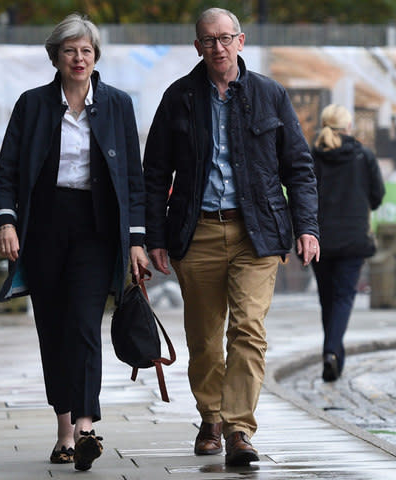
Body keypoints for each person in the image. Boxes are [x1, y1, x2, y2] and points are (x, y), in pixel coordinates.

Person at [143, 7, 320, 466]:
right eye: (208, 40)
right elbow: (155, 173)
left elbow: (298, 167)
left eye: (225, 38)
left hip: (257, 233)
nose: (217, 47)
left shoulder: (269, 94)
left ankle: (240, 428)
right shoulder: (178, 97)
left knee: (248, 330)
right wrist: (154, 237)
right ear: (197, 46)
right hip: (195, 232)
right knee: (203, 339)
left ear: (240, 41)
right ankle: (211, 417)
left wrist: (307, 227)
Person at [0, 13, 148, 471]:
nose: (78, 58)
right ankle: (62, 431)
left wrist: (136, 240)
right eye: (69, 51)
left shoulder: (117, 104)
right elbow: (6, 172)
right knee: (53, 330)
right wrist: (7, 223)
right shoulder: (33, 104)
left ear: (95, 56)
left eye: (86, 50)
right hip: (43, 227)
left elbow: (133, 180)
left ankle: (84, 428)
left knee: (84, 324)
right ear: (55, 58)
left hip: (96, 229)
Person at [311, 104, 385, 382]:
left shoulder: (313, 156)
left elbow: (303, 193)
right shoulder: (363, 156)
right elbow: (377, 195)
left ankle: (333, 358)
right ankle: (331, 351)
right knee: (343, 298)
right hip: (353, 239)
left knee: (327, 300)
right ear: (348, 127)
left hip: (320, 240)